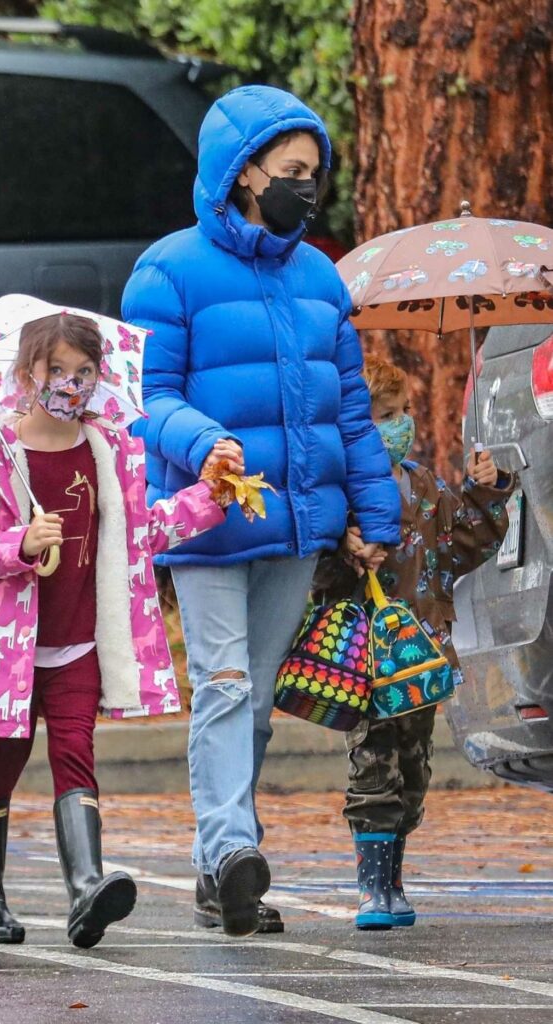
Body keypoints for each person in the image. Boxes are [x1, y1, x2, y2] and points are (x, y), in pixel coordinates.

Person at [122, 85, 401, 938]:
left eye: (313, 174)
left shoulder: (319, 276)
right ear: (242, 173)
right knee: (223, 683)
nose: (305, 188)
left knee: (252, 696)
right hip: (209, 520)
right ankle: (231, 850)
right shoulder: (168, 270)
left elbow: (348, 411)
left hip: (296, 525)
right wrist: (202, 439)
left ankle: (224, 876)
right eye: (290, 172)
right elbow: (145, 395)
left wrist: (374, 516)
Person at [0, 313, 228, 949]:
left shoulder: (107, 449)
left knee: (74, 757)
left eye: (83, 372)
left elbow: (142, 532)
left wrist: (211, 497)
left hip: (81, 641)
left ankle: (86, 889)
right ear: (26, 374)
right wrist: (19, 542)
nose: (69, 384)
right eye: (55, 370)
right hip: (6, 651)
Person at [315, 356, 516, 930]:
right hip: (367, 659)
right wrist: (345, 548)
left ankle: (395, 873)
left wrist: (488, 492)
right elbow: (317, 574)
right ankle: (373, 887)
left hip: (422, 652)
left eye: (402, 412)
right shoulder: (341, 491)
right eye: (383, 415)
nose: (398, 423)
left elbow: (461, 545)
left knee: (414, 765)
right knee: (373, 765)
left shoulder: (422, 483)